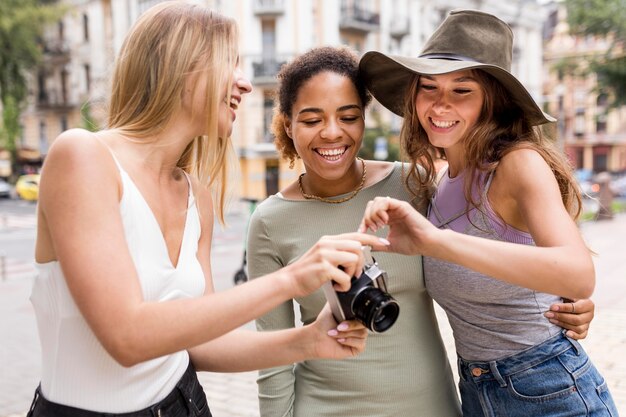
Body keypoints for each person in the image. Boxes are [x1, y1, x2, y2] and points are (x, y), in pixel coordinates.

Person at [27, 3, 386, 416]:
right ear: (181, 67)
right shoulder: (82, 155)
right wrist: (291, 279)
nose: (246, 84)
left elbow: (199, 343)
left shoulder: (196, 194)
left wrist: (309, 341)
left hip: (186, 403)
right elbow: (127, 337)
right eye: (230, 63)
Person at [247, 46, 596, 417]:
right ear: (287, 124)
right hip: (334, 407)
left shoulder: (414, 184)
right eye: (312, 119)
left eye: (348, 116)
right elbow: (273, 357)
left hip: (446, 404)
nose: (332, 132)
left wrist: (568, 301)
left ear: (363, 120)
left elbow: (536, 252)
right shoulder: (269, 221)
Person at [358, 9, 618, 416]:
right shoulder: (439, 181)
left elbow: (578, 274)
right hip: (477, 389)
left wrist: (438, 242)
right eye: (428, 87)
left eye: (462, 90)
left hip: (546, 386)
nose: (440, 104)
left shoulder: (517, 164)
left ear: (491, 102)